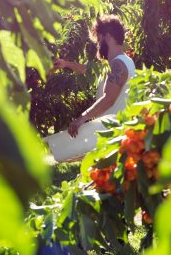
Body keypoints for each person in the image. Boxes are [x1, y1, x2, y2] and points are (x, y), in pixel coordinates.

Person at [44, 15, 136, 162]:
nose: (98, 45)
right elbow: (88, 70)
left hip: (115, 137)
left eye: (99, 40)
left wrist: (82, 118)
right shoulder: (118, 63)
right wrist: (66, 64)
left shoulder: (118, 65)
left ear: (107, 36)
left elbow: (109, 99)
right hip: (113, 136)